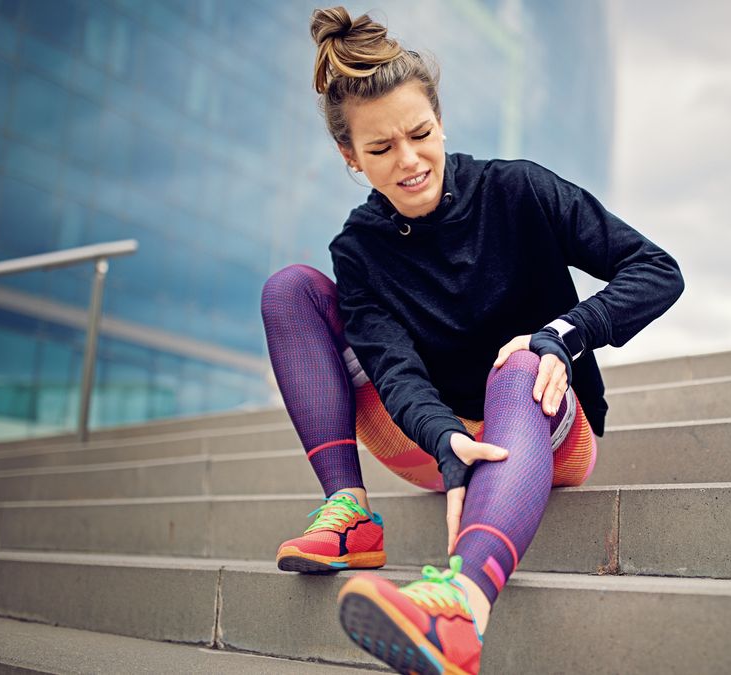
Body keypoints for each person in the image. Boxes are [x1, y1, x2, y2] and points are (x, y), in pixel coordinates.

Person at [259, 6, 684, 674]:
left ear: (440, 118)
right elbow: (391, 366)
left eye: (420, 133)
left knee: (519, 359)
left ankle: (461, 606)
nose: (408, 161)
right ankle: (350, 514)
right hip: (435, 440)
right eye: (379, 149)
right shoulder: (360, 249)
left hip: (542, 421)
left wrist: (561, 336)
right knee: (291, 288)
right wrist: (438, 434)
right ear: (349, 156)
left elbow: (658, 271)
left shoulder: (516, 190)